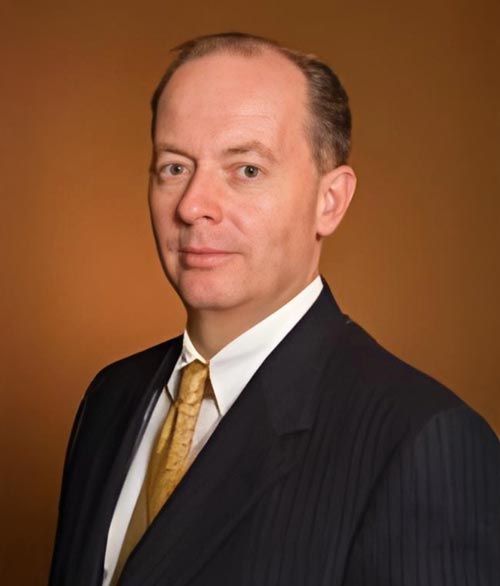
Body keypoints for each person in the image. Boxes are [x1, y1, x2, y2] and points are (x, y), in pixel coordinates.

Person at [49, 32, 500, 586]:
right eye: (174, 167)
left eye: (247, 170)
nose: (192, 206)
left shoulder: (422, 441)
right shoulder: (109, 398)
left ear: (330, 201)